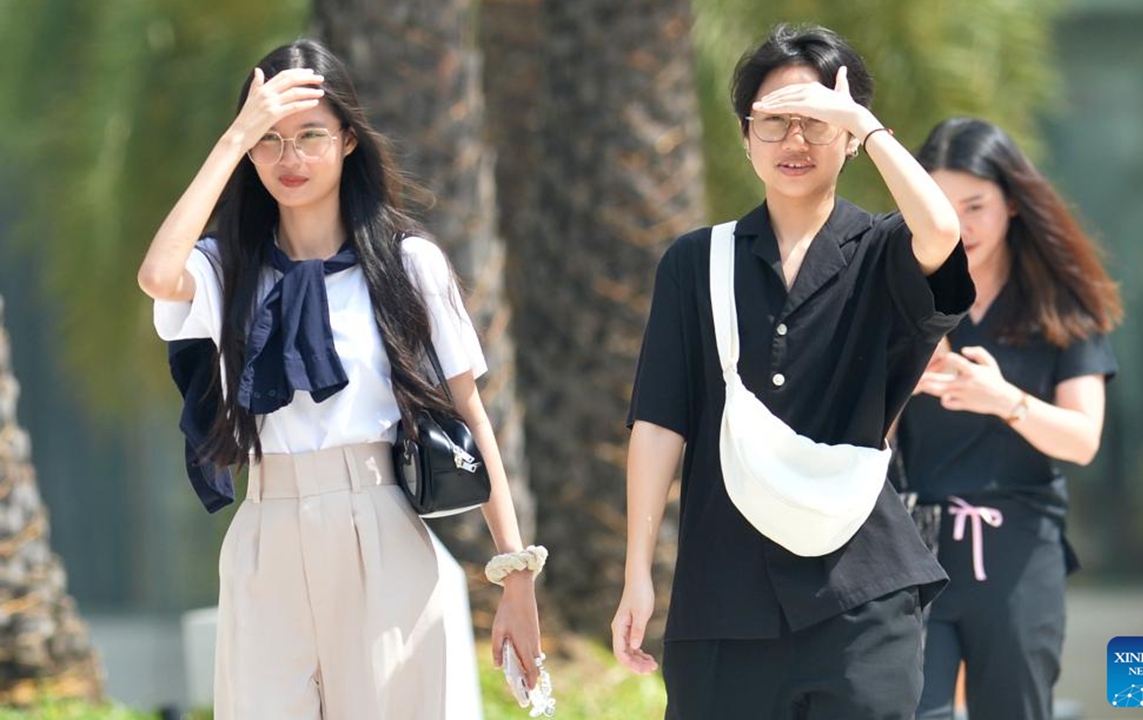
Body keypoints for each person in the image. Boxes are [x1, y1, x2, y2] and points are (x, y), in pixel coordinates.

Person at [136, 39, 543, 720]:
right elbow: (157, 275)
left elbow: (473, 417)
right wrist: (235, 137)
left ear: (350, 140)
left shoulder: (408, 265)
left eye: (310, 136)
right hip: (264, 539)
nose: (288, 159)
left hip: (380, 533)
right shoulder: (225, 270)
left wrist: (516, 579)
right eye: (270, 140)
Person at [611, 23, 975, 720]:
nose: (795, 142)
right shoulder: (696, 263)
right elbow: (660, 424)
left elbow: (941, 233)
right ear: (746, 136)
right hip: (721, 605)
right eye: (774, 123)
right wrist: (637, 577)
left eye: (816, 123)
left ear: (847, 137)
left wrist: (866, 125)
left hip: (862, 598)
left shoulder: (883, 250)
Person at [896, 117, 1122, 720]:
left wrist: (1003, 399)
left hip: (1022, 553)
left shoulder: (1062, 305)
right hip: (916, 553)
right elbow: (859, 437)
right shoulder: (902, 299)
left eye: (975, 205)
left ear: (1013, 203)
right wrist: (895, 389)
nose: (960, 224)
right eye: (941, 205)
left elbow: (1082, 440)